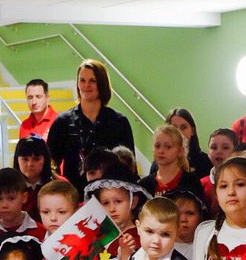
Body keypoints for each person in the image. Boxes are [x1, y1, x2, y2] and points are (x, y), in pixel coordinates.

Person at [48, 59, 135, 193]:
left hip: (110, 197)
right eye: (82, 80)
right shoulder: (62, 122)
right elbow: (51, 165)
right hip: (73, 199)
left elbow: (129, 166)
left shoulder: (119, 121)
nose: (86, 85)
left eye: (92, 81)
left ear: (102, 84)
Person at [142, 123, 204, 198]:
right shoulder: (144, 185)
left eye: (168, 147)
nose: (161, 151)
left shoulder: (191, 182)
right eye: (157, 146)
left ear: (180, 151)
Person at [13, 133, 61, 220]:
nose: (30, 164)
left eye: (36, 159)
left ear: (45, 159)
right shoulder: (10, 186)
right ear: (17, 160)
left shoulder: (59, 185)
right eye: (25, 159)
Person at [167, 107, 213, 179]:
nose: (179, 133)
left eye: (184, 127)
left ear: (192, 131)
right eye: (174, 128)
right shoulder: (161, 162)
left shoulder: (206, 161)